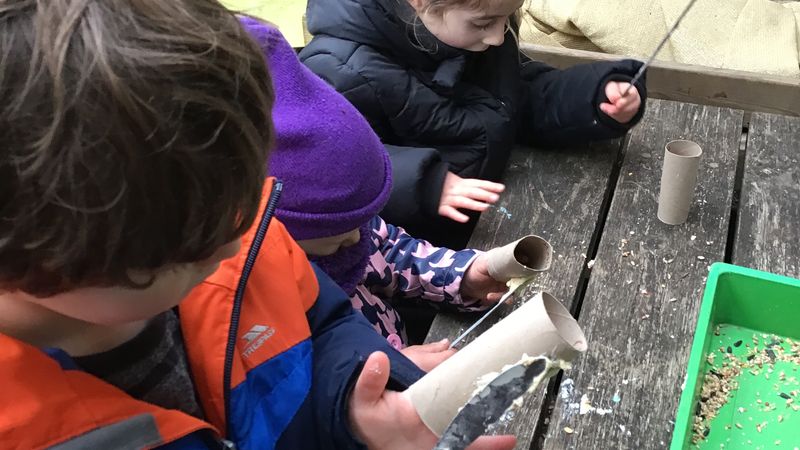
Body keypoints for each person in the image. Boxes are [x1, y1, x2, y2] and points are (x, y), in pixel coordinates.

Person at [0, 3, 515, 449]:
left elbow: (324, 327)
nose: (238, 241)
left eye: (245, 199)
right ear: (38, 261)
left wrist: (346, 406)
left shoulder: (231, 230)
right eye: (197, 245)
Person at [260, 17, 507, 370]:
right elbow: (302, 381)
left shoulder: (344, 227)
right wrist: (389, 370)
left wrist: (462, 275)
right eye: (341, 237)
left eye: (365, 221)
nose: (357, 238)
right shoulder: (263, 306)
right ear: (281, 231)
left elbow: (391, 253)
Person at [299, 0, 647, 247]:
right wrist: (424, 182)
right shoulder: (339, 68)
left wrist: (594, 97)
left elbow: (518, 94)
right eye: (484, 23)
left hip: (493, 216)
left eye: (508, 18)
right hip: (416, 255)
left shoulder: (469, 30)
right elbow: (326, 166)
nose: (498, 37)